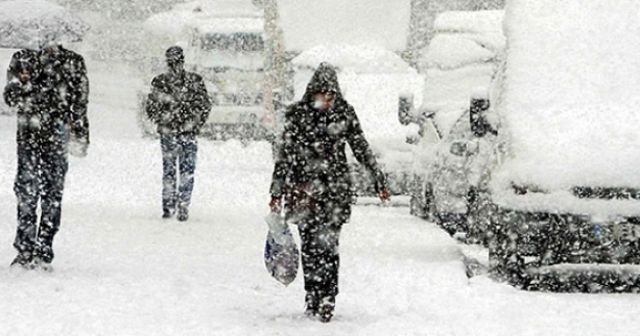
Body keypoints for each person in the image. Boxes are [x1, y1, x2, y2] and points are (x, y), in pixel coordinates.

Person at [269, 63, 391, 323]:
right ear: (312, 92)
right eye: (322, 95)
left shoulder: (344, 113)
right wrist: (276, 190)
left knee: (330, 246)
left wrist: (378, 179)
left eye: (331, 96)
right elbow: (284, 156)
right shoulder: (298, 115)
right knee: (310, 246)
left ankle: (328, 296)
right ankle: (312, 293)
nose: (326, 100)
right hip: (303, 191)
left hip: (334, 191)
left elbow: (360, 147)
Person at [3, 39, 90, 270]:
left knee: (51, 192)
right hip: (30, 133)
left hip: (56, 132)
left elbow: (80, 102)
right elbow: (10, 98)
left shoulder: (73, 61)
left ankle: (43, 249)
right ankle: (25, 250)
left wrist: (80, 132)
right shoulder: (23, 58)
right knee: (27, 191)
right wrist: (24, 84)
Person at [146, 46, 211, 221]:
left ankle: (171, 205)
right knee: (185, 170)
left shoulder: (161, 82)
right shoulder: (193, 81)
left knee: (171, 170)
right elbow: (204, 106)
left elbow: (151, 108)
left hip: (173, 132)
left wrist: (165, 119)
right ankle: (181, 204)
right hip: (184, 132)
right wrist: (193, 123)